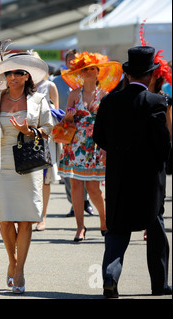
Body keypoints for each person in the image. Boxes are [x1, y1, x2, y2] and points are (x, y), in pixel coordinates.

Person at [94, 46, 172, 298]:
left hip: (118, 176)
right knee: (156, 229)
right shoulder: (157, 102)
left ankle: (110, 278)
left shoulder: (109, 101)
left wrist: (119, 153)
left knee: (117, 231)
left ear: (127, 75)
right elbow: (162, 142)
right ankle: (158, 285)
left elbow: (99, 137)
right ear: (150, 76)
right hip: (149, 178)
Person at [0, 51, 54, 293]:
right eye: (9, 72)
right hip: (3, 163)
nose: (13, 77)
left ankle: (19, 270)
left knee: (25, 220)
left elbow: (48, 129)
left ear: (26, 76)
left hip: (29, 163)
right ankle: (11, 263)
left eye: (19, 72)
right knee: (4, 220)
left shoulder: (39, 100)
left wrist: (30, 131)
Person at [58, 51, 122, 241]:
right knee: (76, 186)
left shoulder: (105, 95)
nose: (88, 72)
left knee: (94, 188)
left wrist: (107, 146)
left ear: (98, 72)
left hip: (96, 145)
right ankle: (80, 227)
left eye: (92, 69)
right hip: (75, 144)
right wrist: (67, 118)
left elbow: (111, 123)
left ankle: (103, 221)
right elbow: (65, 121)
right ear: (80, 71)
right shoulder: (73, 94)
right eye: (85, 69)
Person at [53, 49, 94, 217]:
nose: (73, 62)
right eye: (70, 59)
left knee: (87, 173)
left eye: (76, 60)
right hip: (64, 131)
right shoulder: (57, 81)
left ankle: (85, 201)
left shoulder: (89, 81)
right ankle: (74, 203)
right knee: (69, 174)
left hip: (87, 134)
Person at [32, 51, 61, 232]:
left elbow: (57, 115)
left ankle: (42, 217)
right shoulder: (23, 85)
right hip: (25, 136)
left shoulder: (49, 85)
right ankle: (30, 215)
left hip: (44, 137)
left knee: (44, 179)